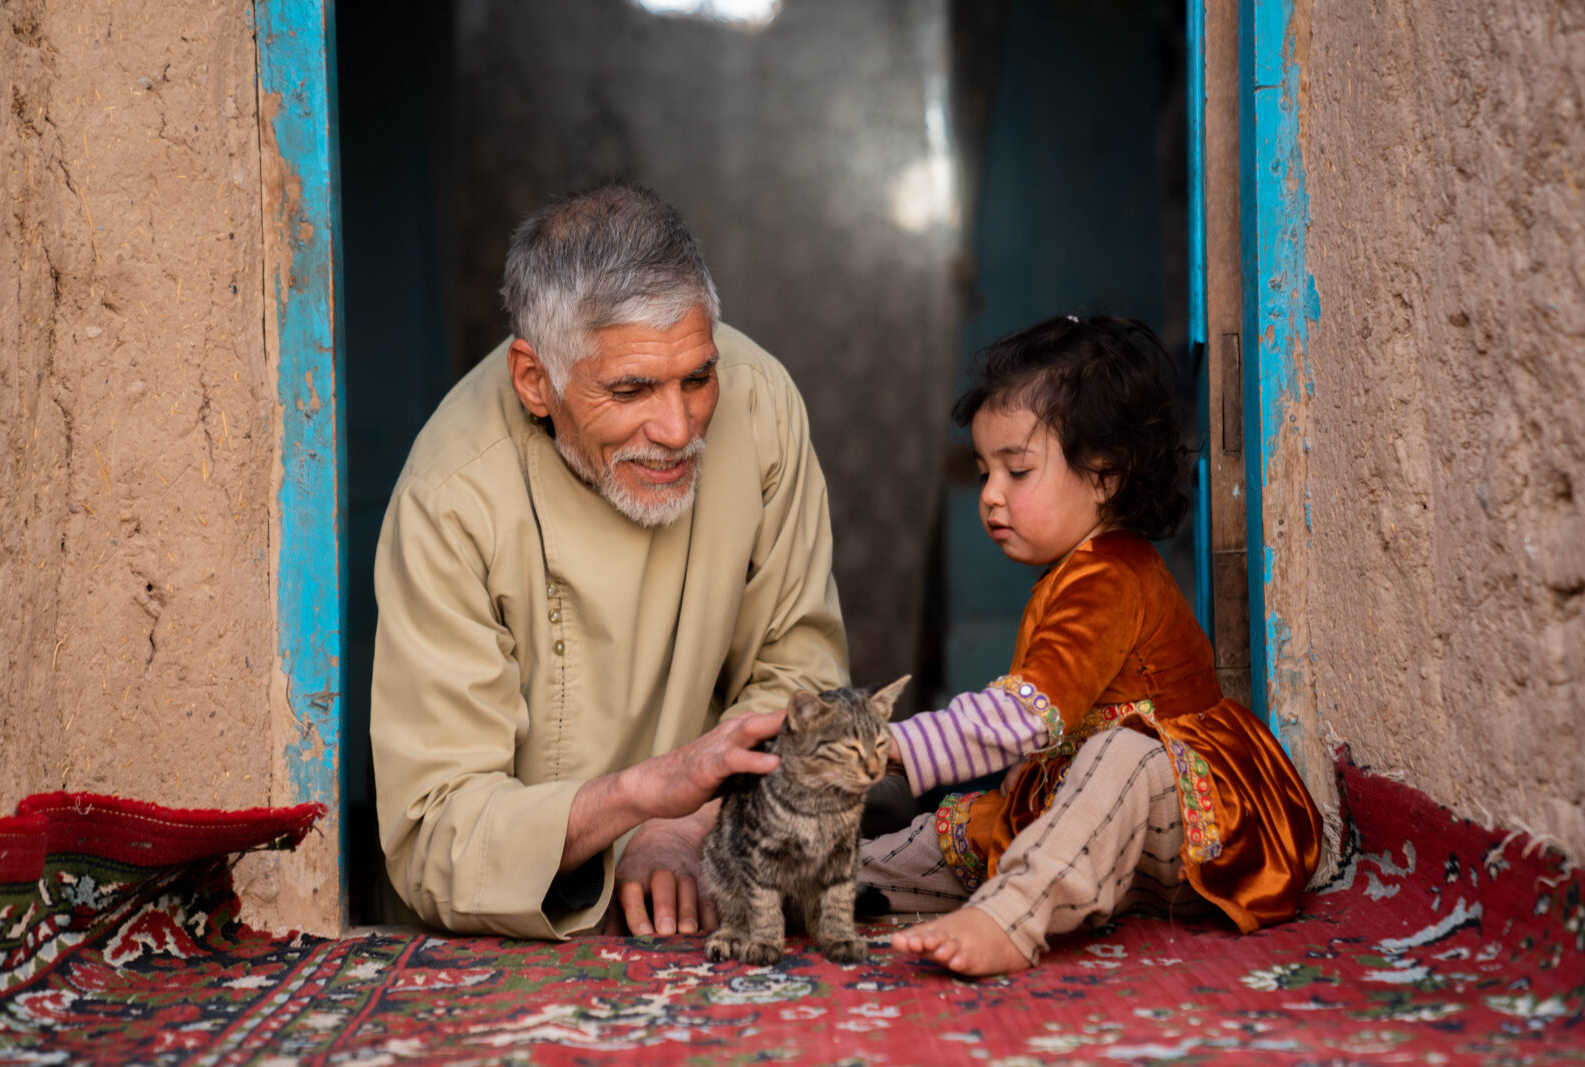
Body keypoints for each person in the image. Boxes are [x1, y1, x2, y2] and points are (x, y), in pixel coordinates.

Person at [371, 182, 849, 940]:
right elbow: (436, 835)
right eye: (630, 389)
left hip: (713, 882)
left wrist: (688, 822)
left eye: (697, 377)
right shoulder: (452, 493)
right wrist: (642, 799)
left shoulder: (761, 408)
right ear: (536, 381)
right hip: (505, 946)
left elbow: (801, 677)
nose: (676, 426)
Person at [860, 314, 1325, 975]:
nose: (989, 495)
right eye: (983, 470)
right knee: (969, 829)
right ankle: (813, 880)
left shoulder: (1114, 573)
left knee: (1123, 755)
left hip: (1202, 829)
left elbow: (1026, 716)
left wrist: (891, 749)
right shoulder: (1066, 574)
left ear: (1105, 475)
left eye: (1017, 471)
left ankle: (1009, 917)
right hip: (1106, 834)